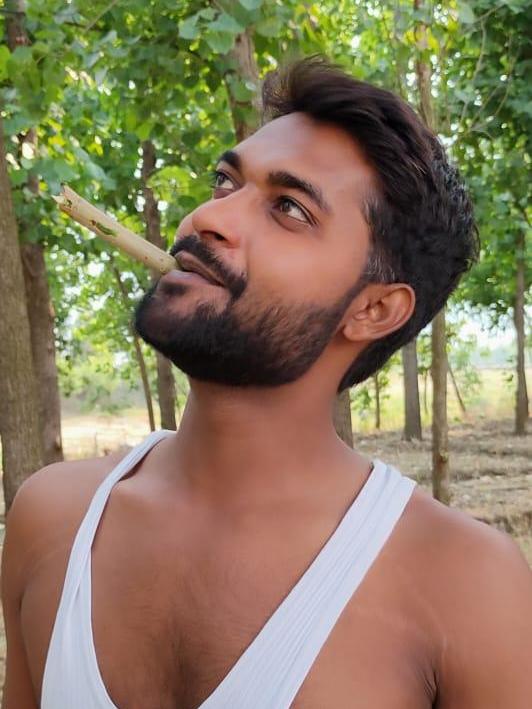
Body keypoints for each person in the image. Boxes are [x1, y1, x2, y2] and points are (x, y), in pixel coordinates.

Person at [2, 56, 531, 709]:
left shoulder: (467, 587)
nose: (207, 217)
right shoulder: (52, 518)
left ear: (374, 309)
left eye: (289, 208)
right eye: (225, 182)